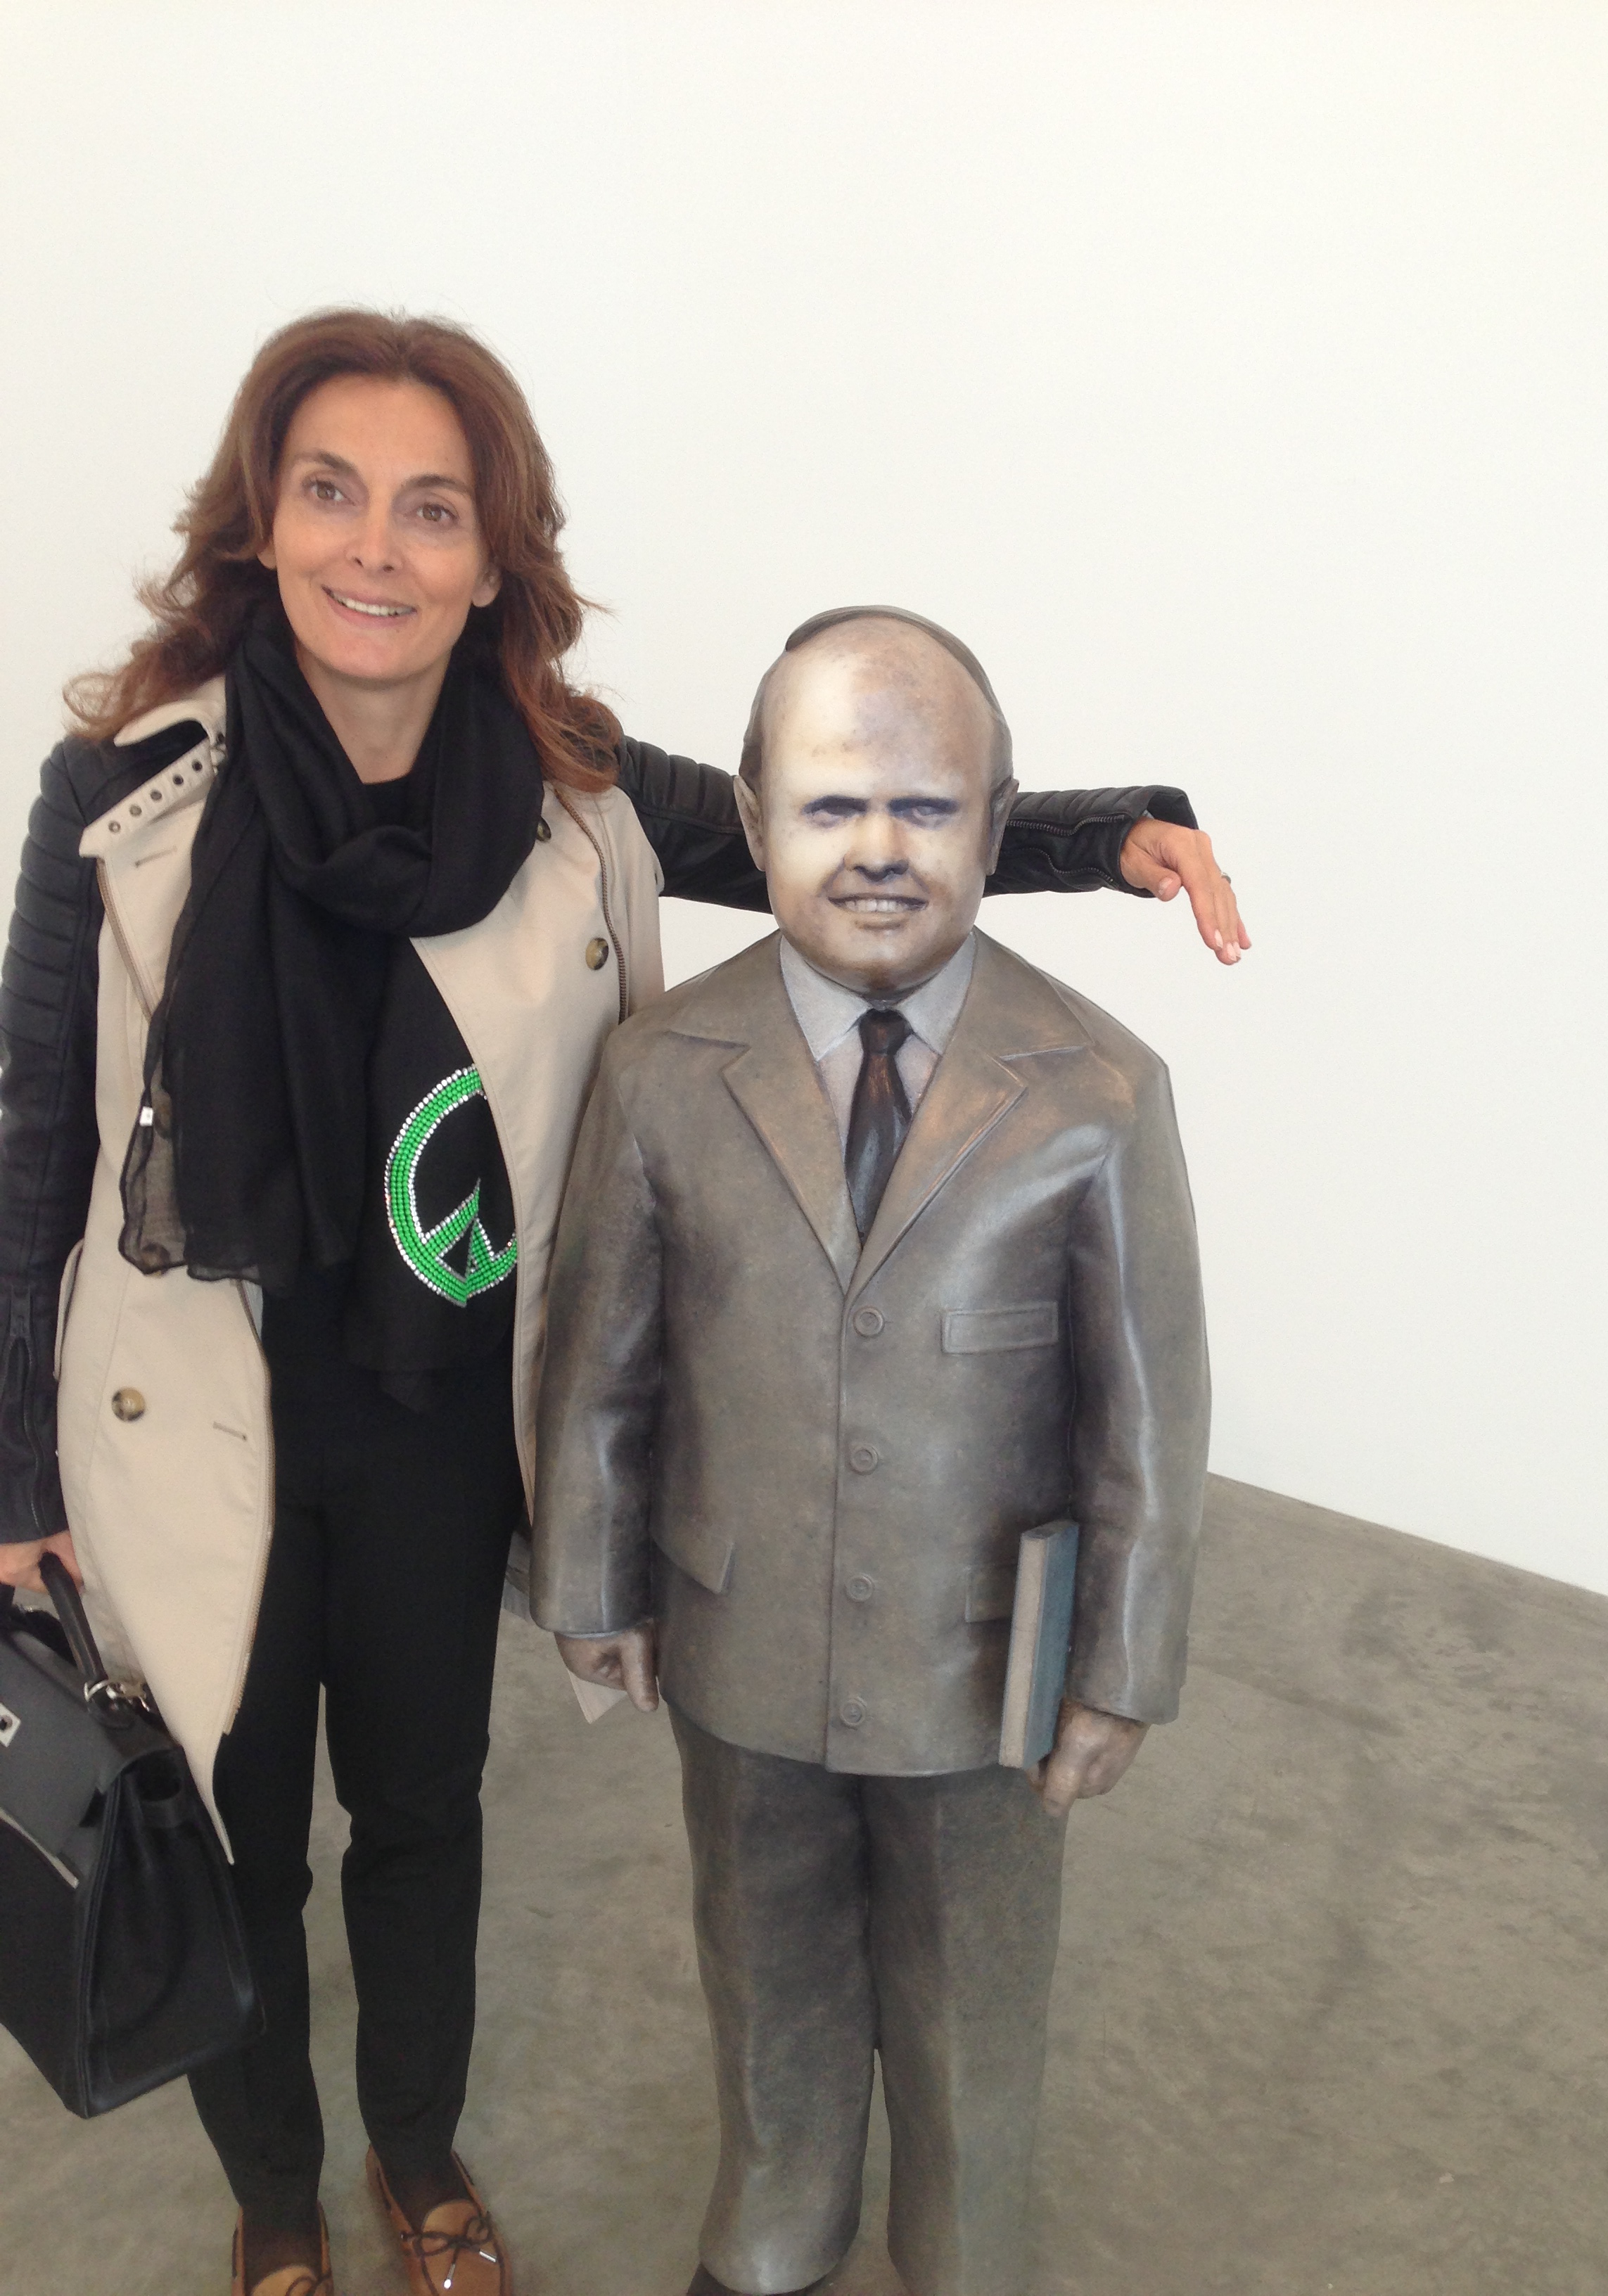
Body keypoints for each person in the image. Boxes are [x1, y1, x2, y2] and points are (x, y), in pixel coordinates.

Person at [0, 311, 1241, 2296]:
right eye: (331, 493)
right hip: (196, 1412)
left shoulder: (564, 784)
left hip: (434, 1417)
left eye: (432, 508)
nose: (377, 548)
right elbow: (29, 1140)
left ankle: (420, 2159)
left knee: (423, 1811)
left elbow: (838, 821)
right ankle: (272, 2201)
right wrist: (10, 1477)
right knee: (241, 1833)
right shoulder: (122, 789)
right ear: (262, 521)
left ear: (493, 555)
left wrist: (1109, 838)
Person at [532, 606, 1211, 2296]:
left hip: (986, 1666)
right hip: (739, 1633)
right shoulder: (662, 1070)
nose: (881, 850)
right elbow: (601, 1356)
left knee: (974, 1988)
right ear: (751, 822)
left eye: (928, 807)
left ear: (997, 823)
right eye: (831, 806)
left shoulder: (1099, 1094)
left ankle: (962, 2246)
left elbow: (1149, 1419)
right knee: (763, 1958)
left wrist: (1122, 1666)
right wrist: (590, 1580)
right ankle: (778, 2216)